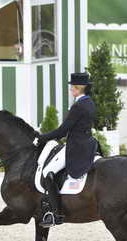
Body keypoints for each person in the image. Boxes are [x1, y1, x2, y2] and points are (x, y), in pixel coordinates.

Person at [33, 72, 98, 228]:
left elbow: (63, 130)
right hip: (88, 143)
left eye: (72, 88)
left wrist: (41, 138)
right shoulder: (89, 102)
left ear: (78, 88)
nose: (71, 90)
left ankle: (57, 214)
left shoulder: (78, 106)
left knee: (48, 174)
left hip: (76, 148)